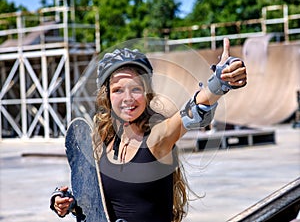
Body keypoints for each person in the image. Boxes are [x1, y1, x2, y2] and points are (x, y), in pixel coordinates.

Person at [50, 38, 247, 222]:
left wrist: (220, 82)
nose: (128, 98)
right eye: (118, 90)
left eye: (135, 89)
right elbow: (98, 202)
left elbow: (194, 109)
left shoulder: (157, 138)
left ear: (146, 94)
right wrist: (69, 201)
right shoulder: (102, 144)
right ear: (107, 96)